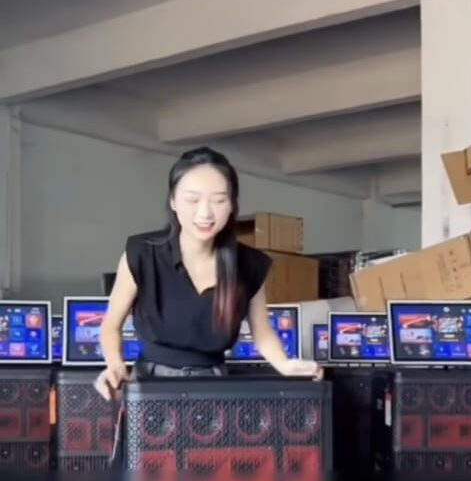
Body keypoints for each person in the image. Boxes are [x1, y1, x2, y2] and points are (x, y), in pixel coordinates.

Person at [94, 146, 322, 401]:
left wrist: (285, 365)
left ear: (232, 205)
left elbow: (262, 332)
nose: (205, 213)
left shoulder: (249, 264)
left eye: (219, 200)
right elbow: (110, 325)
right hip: (150, 386)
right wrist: (115, 366)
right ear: (173, 201)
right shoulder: (142, 253)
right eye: (193, 200)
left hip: (215, 386)